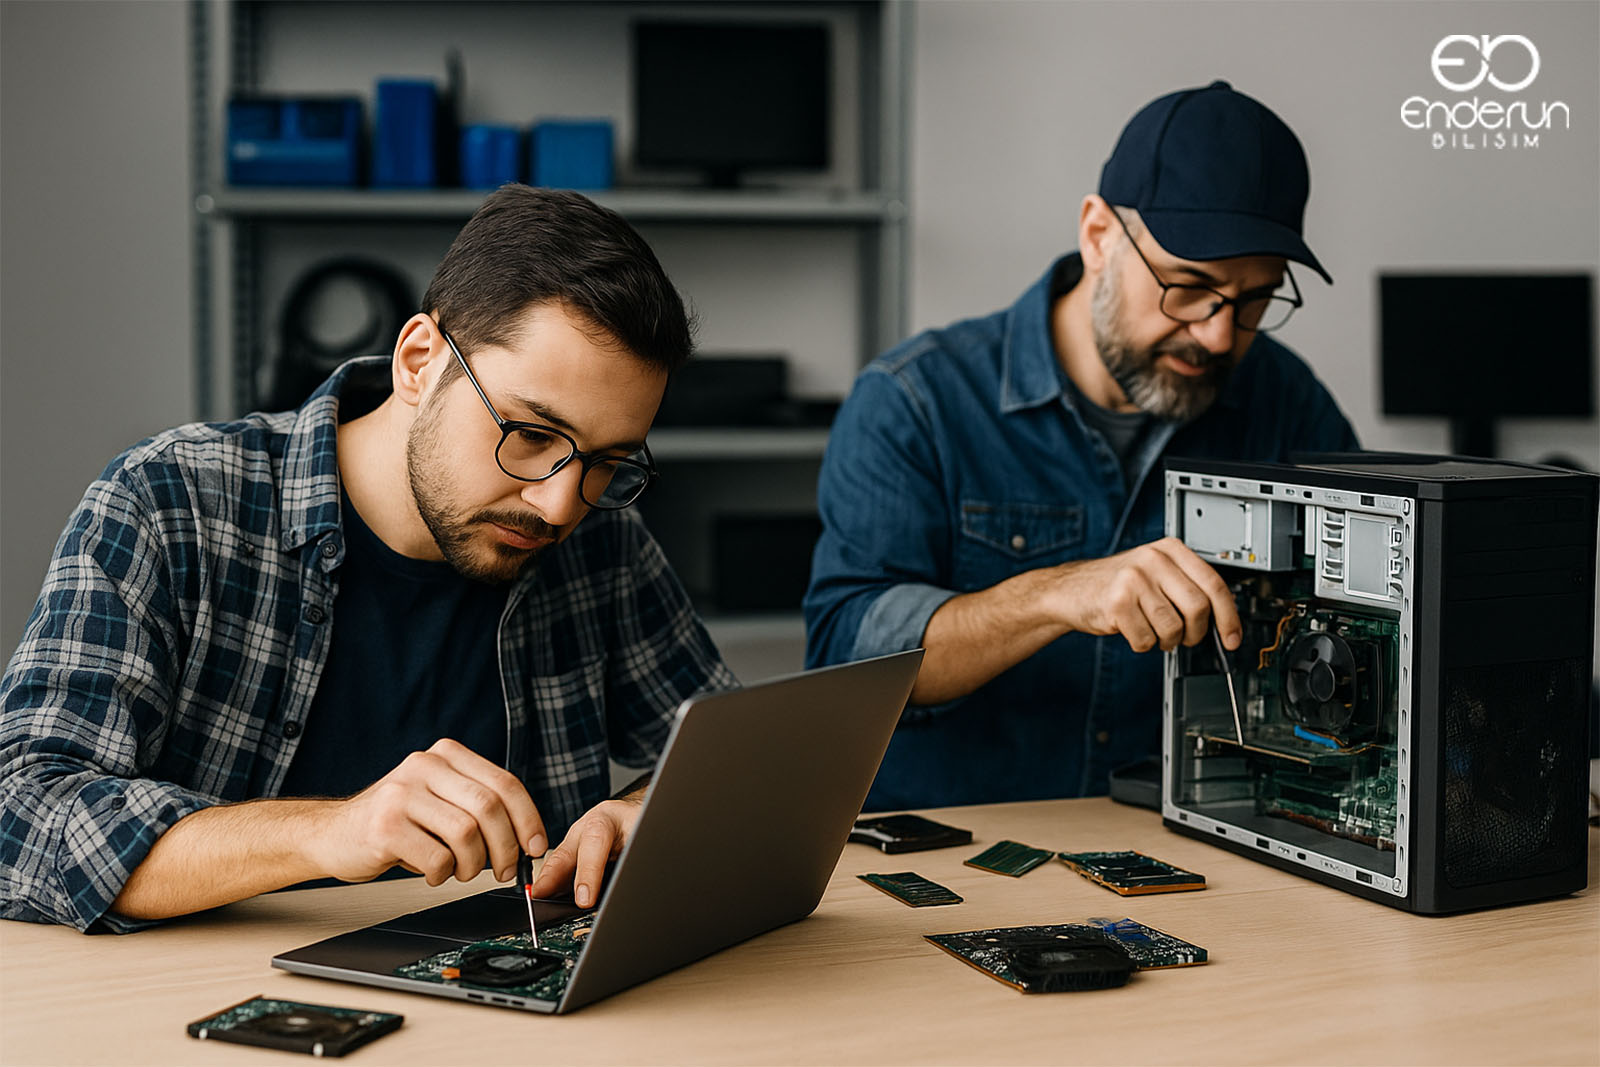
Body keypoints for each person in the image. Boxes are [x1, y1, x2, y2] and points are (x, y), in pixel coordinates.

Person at [0, 185, 735, 932]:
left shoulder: (597, 535)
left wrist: (644, 812)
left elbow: (724, 750)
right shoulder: (168, 501)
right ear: (418, 361)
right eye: (532, 435)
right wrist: (330, 831)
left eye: (607, 461)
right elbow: (20, 815)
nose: (559, 505)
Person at [805, 81, 1358, 810]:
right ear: (1098, 235)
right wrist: (1054, 596)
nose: (1220, 334)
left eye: (1256, 299)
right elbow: (845, 659)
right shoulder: (916, 401)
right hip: (954, 866)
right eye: (1189, 287)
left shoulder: (1286, 404)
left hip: (1196, 864)